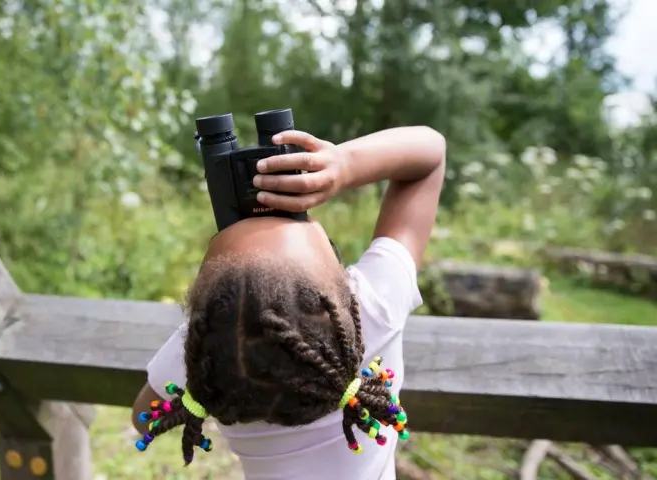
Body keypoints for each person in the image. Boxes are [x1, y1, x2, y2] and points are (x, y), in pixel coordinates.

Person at [131, 126, 446, 479]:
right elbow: (430, 153)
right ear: (346, 289)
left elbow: (141, 417)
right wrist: (344, 165)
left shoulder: (213, 360)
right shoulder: (375, 308)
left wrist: (207, 334)